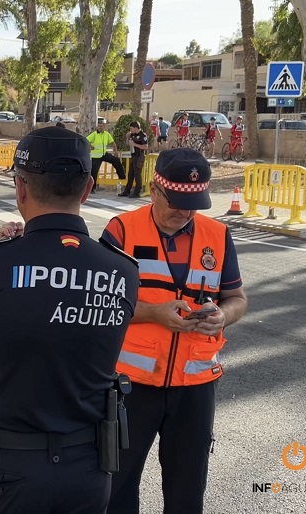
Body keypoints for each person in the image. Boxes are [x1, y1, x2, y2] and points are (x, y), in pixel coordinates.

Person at [0, 126, 140, 513]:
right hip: (89, 471)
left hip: (3, 474)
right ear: (87, 189)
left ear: (21, 188)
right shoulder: (122, 270)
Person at [102, 148, 248, 514]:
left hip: (195, 389)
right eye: (178, 202)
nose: (185, 212)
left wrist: (223, 316)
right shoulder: (121, 231)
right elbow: (100, 305)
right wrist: (153, 313)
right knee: (116, 488)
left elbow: (237, 297)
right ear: (154, 190)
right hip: (130, 387)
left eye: (194, 204)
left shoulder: (217, 234)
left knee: (187, 491)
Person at [86, 119, 125, 192]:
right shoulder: (94, 134)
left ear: (104, 126)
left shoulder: (107, 134)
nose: (99, 127)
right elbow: (85, 141)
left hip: (104, 154)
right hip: (96, 156)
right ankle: (91, 188)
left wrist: (115, 151)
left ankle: (122, 176)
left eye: (101, 126)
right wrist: (90, 146)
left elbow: (113, 143)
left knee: (116, 160)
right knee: (94, 172)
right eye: (98, 126)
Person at [120, 121, 149, 198]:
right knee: (130, 175)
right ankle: (127, 191)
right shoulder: (132, 135)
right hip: (133, 156)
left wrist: (135, 145)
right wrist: (127, 137)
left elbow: (145, 147)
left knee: (137, 175)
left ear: (136, 128)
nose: (130, 130)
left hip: (139, 156)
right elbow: (128, 144)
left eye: (131, 128)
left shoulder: (143, 135)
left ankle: (137, 192)